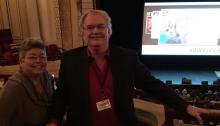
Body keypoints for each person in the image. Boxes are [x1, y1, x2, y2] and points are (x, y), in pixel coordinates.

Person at [47, 9, 210, 126]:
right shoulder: (70, 59)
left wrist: (185, 106)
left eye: (101, 26)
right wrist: (54, 120)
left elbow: (153, 85)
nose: (95, 31)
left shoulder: (127, 58)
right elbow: (61, 94)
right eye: (89, 27)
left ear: (109, 31)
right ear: (82, 33)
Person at [0, 38, 54, 125]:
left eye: (42, 57)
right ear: (21, 62)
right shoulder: (13, 87)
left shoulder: (46, 76)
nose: (38, 61)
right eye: (32, 57)